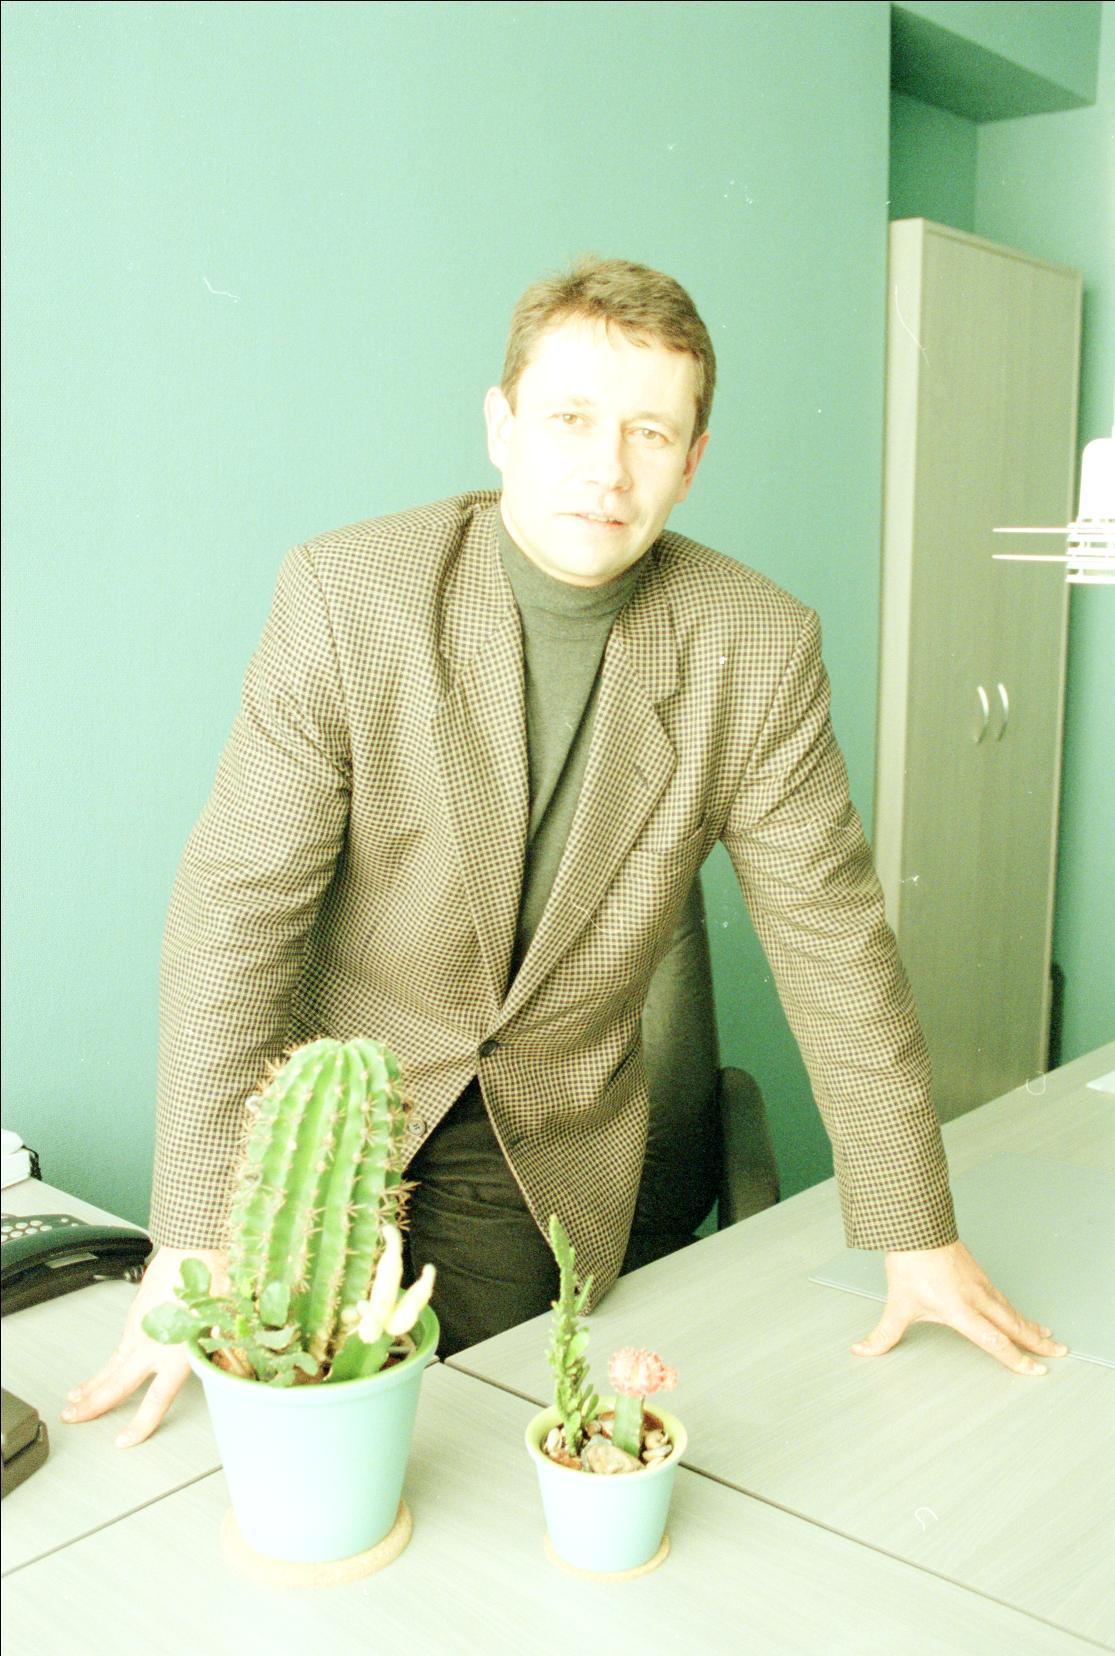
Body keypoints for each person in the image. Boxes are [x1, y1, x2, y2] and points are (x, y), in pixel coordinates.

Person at [64, 257, 1065, 1447]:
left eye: (650, 432)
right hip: (328, 1104)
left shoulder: (755, 646)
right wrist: (191, 1233)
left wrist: (914, 1230)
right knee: (239, 1420)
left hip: (528, 1136)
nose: (607, 469)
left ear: (691, 460)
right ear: (501, 426)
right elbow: (236, 910)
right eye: (571, 420)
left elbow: (831, 944)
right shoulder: (349, 594)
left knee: (449, 1438)